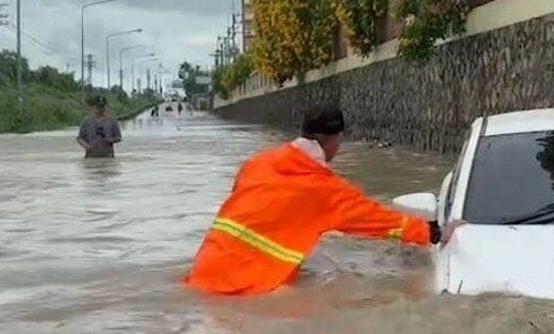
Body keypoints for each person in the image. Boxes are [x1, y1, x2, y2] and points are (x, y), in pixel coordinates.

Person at [184, 106, 453, 295]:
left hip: (204, 273)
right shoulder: (326, 190)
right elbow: (380, 221)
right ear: (330, 140)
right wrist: (435, 232)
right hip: (251, 287)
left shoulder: (258, 163)